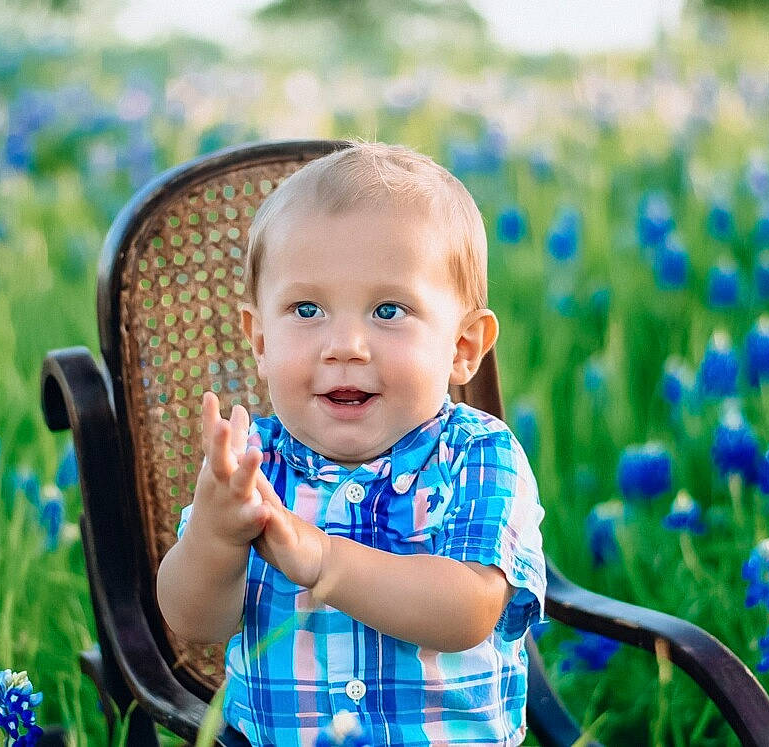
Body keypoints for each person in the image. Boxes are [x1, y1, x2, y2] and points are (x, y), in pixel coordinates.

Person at [156, 141, 546, 747]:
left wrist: (328, 563)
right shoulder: (254, 464)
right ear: (259, 341)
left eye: (388, 310)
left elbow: (468, 610)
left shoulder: (479, 456)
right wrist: (214, 535)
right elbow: (194, 624)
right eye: (306, 309)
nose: (345, 345)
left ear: (463, 348)